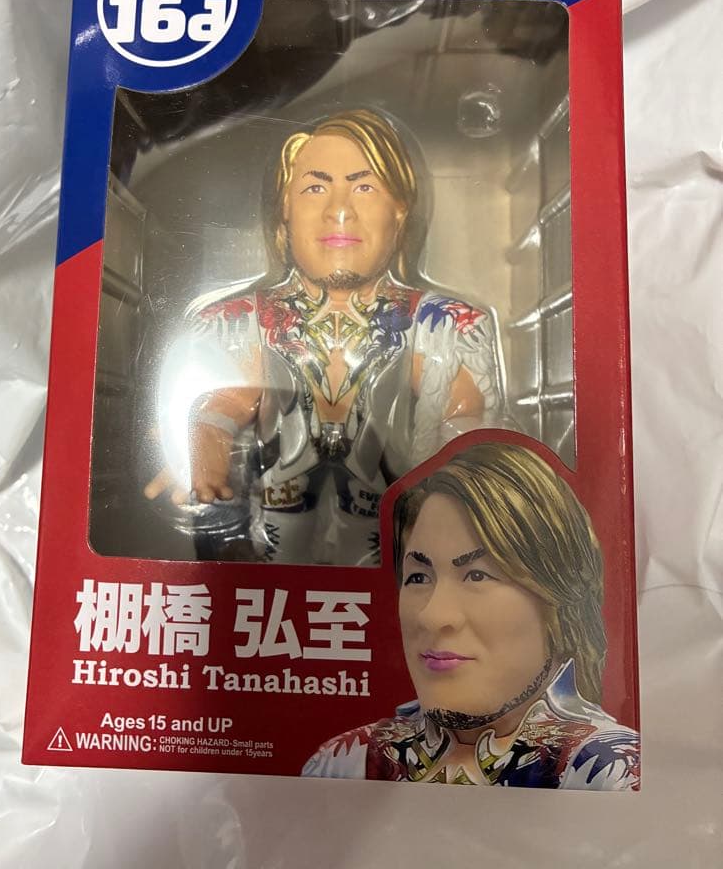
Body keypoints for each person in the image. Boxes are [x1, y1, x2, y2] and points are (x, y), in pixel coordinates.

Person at [145, 109, 502, 565]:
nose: (339, 210)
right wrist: (203, 438)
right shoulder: (238, 322)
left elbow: (466, 422)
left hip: (398, 560)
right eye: (315, 188)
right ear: (285, 210)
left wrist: (458, 486)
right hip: (266, 554)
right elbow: (224, 399)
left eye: (364, 187)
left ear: (400, 209)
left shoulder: (442, 327)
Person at [302, 442, 640, 788]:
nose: (432, 616)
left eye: (478, 575)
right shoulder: (347, 762)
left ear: (558, 597)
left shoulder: (608, 771)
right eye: (418, 577)